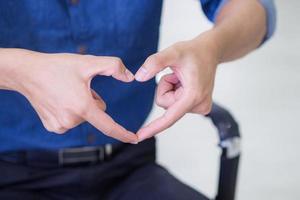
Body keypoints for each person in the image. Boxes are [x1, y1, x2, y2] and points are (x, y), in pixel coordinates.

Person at [0, 0, 276, 199]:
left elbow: (255, 7)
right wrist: (18, 70)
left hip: (129, 167)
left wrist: (212, 48)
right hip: (10, 175)